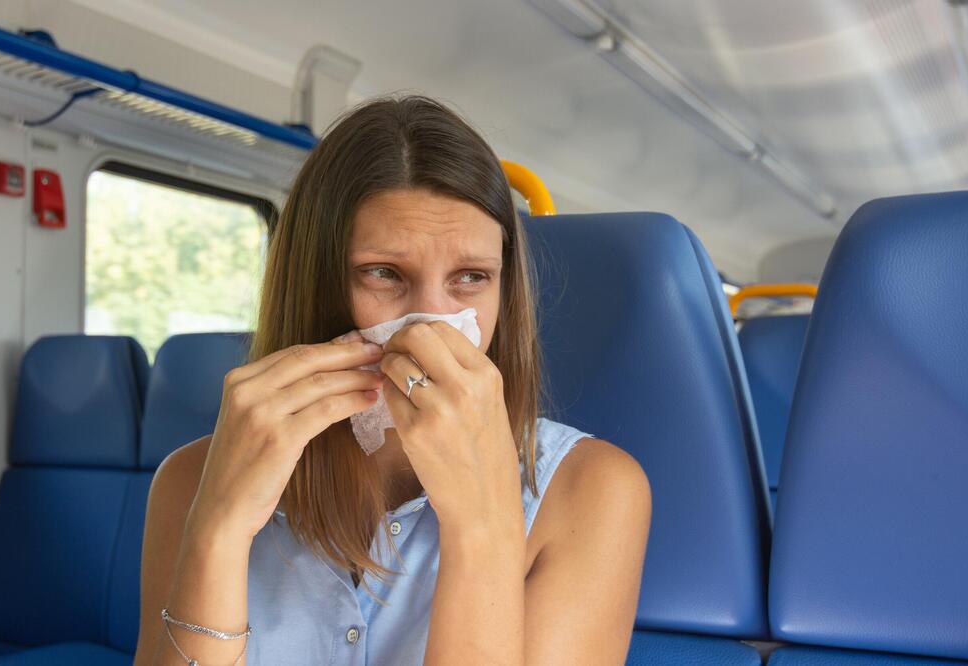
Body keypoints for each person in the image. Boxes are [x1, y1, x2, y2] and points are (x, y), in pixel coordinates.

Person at [134, 94, 651, 666]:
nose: (431, 324)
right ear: (316, 287)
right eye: (383, 273)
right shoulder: (189, 480)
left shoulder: (592, 492)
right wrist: (219, 531)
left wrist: (481, 524)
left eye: (471, 278)